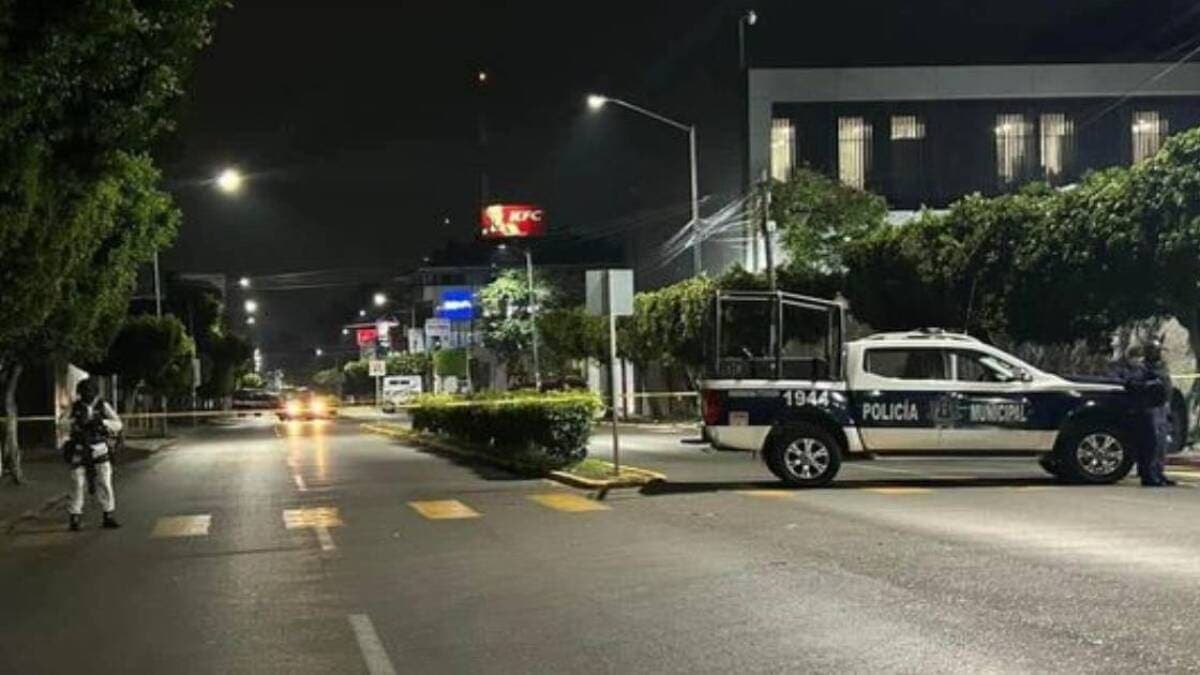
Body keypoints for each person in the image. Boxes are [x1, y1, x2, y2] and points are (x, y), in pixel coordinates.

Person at [60, 378, 123, 530]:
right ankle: (75, 517)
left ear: (95, 393)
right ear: (80, 393)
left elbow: (118, 424)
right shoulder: (75, 407)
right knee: (77, 483)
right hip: (80, 448)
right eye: (84, 392)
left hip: (99, 447)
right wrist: (74, 423)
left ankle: (108, 514)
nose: (87, 395)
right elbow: (61, 424)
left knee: (105, 482)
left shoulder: (102, 405)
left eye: (90, 392)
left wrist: (102, 423)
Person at [1116, 342, 1174, 487]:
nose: (1158, 353)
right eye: (1155, 351)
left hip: (1162, 406)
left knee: (1161, 444)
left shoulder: (1161, 367)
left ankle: (1159, 473)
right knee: (1151, 444)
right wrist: (1149, 384)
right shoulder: (1141, 368)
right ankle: (1149, 474)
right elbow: (1133, 384)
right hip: (1150, 407)